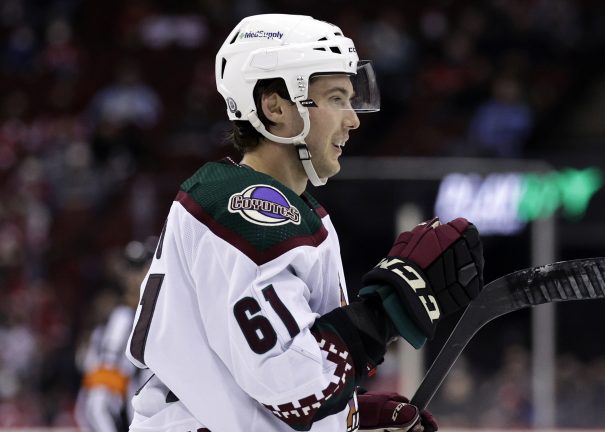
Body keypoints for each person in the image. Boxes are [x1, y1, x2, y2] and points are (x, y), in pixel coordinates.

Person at [124, 14, 484, 432]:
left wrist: (351, 415)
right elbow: (294, 387)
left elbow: (269, 383)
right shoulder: (245, 207)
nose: (353, 119)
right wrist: (385, 309)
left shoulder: (286, 209)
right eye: (335, 98)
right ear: (275, 106)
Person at [76, 238, 156, 431]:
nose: (135, 277)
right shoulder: (123, 321)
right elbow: (98, 402)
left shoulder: (155, 318)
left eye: (141, 268)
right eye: (132, 269)